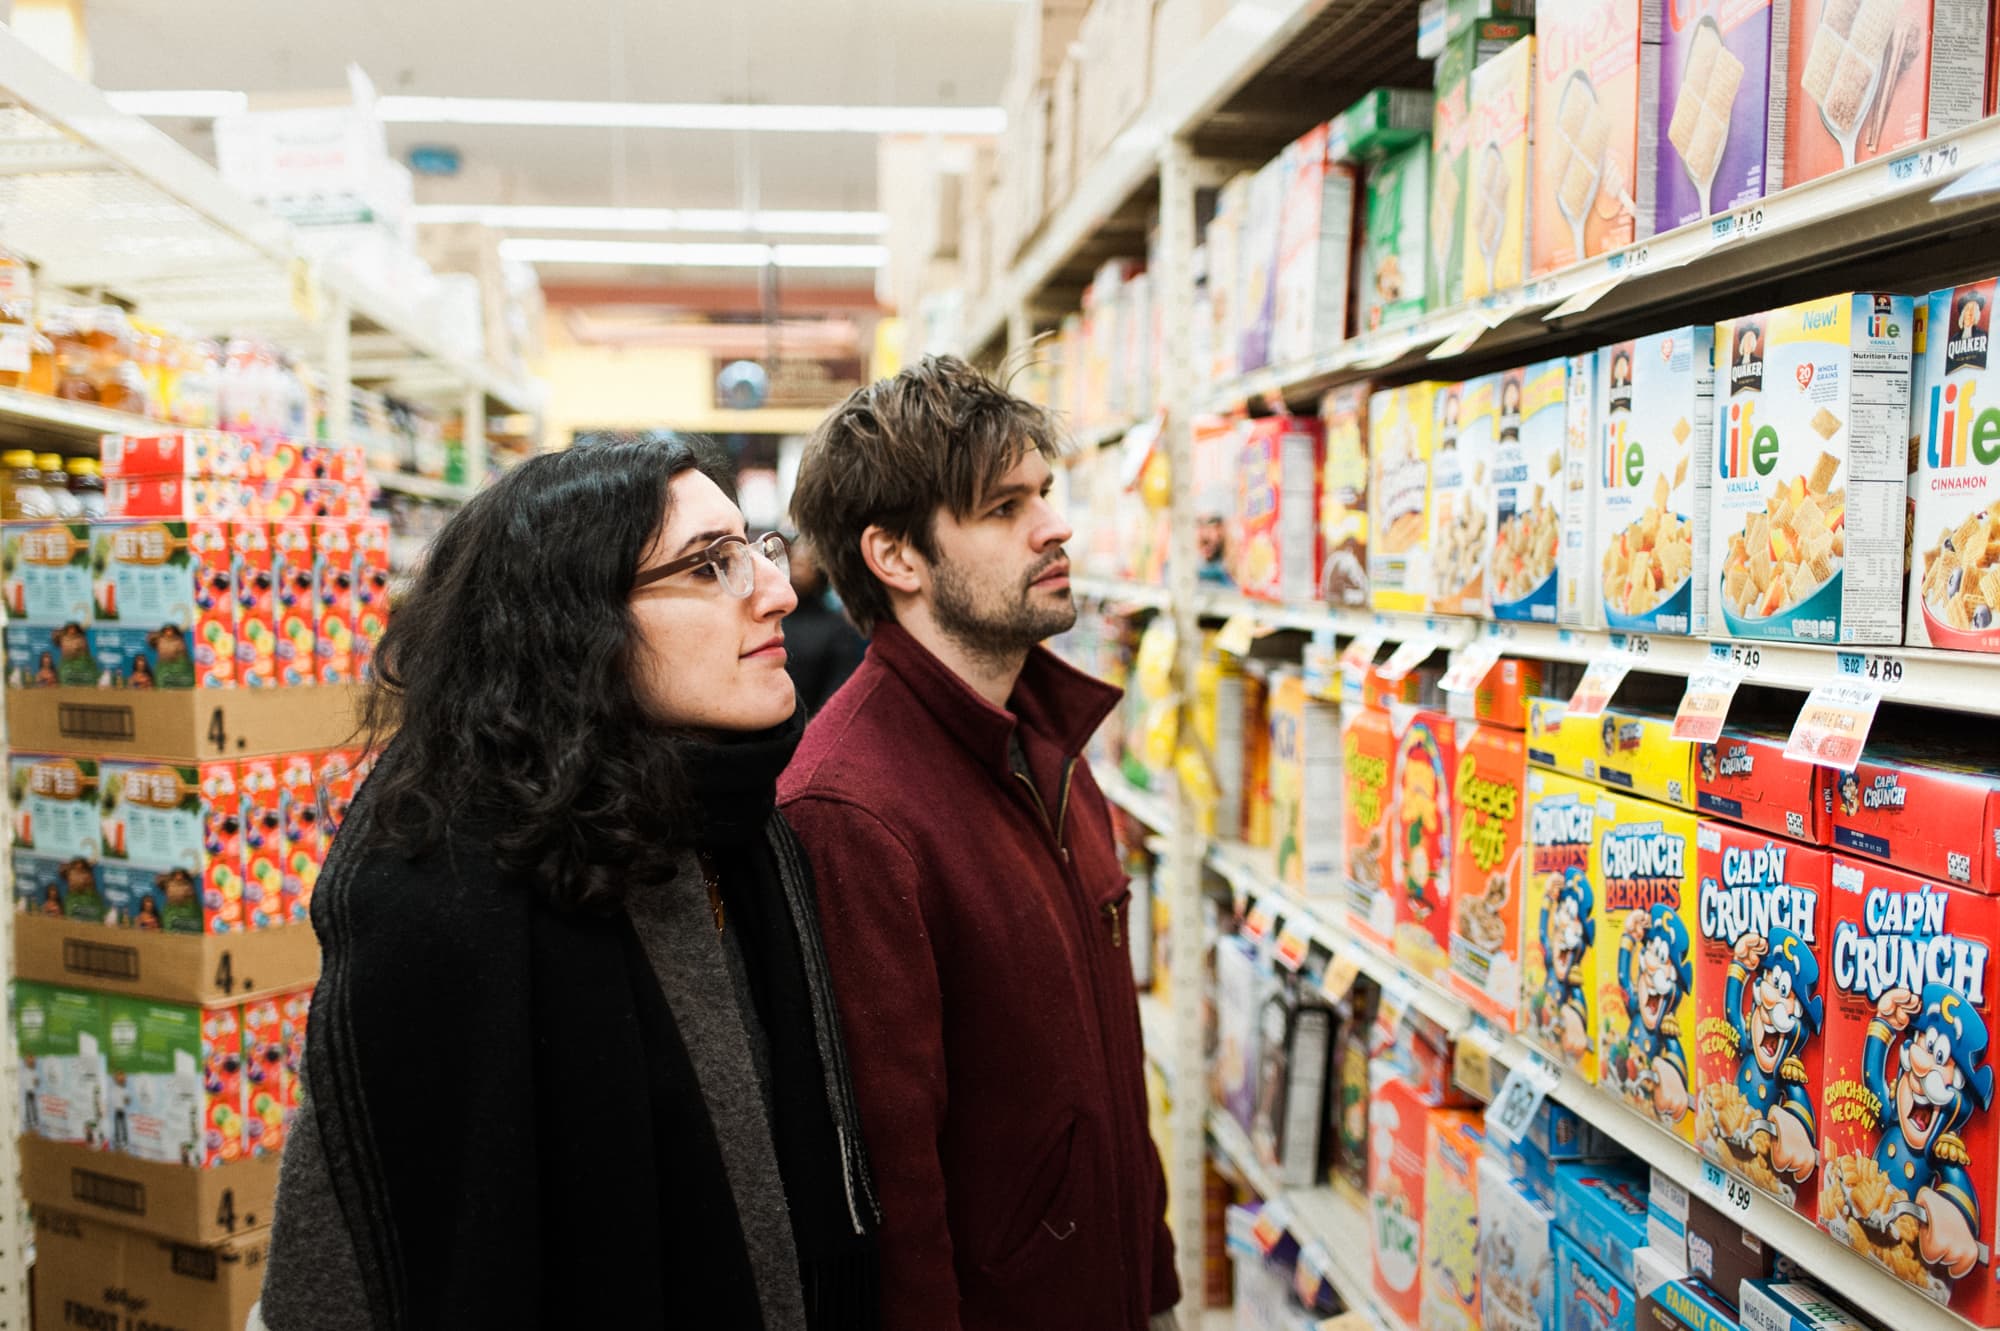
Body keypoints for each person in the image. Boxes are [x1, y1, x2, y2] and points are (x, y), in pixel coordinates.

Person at [254, 436, 880, 1331]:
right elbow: (367, 1270)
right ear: (573, 624)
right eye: (711, 566)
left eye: (757, 550)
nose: (776, 590)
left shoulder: (736, 821)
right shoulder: (444, 896)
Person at [783, 356, 1180, 1331]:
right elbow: (893, 1177)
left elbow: (1103, 1064)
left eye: (1043, 491)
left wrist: (1157, 1274)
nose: (1055, 526)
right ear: (896, 557)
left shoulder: (1046, 736)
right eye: (1004, 508)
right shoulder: (851, 808)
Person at [782, 534, 866, 713]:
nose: (798, 568)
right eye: (794, 560)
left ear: (821, 571)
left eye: (807, 563)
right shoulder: (771, 617)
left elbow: (838, 690)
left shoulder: (838, 627)